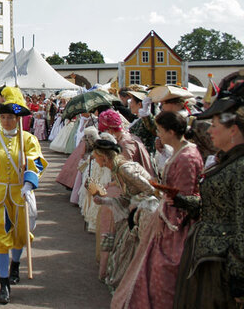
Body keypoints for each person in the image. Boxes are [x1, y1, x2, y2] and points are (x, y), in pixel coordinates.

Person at [111, 111, 203, 309]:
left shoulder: (187, 157)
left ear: (171, 131)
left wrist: (168, 220)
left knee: (162, 272)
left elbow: (185, 199)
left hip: (175, 224)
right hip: (167, 216)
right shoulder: (182, 151)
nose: (158, 134)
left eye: (160, 131)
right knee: (150, 268)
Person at [0, 86, 48, 305]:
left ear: (18, 118)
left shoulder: (29, 139)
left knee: (20, 236)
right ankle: (4, 283)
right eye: (3, 117)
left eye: (11, 117)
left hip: (20, 195)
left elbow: (37, 161)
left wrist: (29, 183)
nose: (6, 121)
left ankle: (16, 264)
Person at [172, 83, 244, 308]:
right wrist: (180, 200)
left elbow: (242, 224)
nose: (209, 130)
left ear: (233, 130)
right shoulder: (227, 160)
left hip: (221, 267)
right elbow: (216, 206)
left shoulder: (241, 167)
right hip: (209, 260)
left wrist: (238, 277)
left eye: (214, 125)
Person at [91, 134, 158, 291]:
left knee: (131, 249)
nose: (95, 160)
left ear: (103, 157)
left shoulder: (124, 169)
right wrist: (103, 201)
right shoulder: (116, 170)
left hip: (146, 211)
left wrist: (135, 203)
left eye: (96, 157)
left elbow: (151, 189)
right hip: (136, 211)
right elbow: (124, 198)